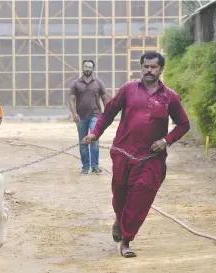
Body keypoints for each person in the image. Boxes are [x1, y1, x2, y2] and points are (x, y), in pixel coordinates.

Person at [83, 51, 190, 258]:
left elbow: (184, 124)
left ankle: (126, 240)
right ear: (141, 68)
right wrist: (95, 133)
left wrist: (166, 140)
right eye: (146, 67)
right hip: (123, 152)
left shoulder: (170, 97)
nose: (149, 70)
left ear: (161, 70)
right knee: (120, 196)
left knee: (141, 196)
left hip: (151, 158)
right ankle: (118, 217)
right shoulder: (128, 89)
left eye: (154, 67)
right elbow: (108, 113)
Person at [69, 60, 112, 175]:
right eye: (86, 66)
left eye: (90, 67)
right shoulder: (76, 83)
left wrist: (107, 114)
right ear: (82, 68)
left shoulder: (98, 83)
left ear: (93, 69)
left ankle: (95, 166)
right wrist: (74, 113)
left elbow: (105, 98)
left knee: (94, 139)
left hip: (95, 115)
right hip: (81, 117)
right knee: (83, 142)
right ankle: (85, 167)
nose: (88, 68)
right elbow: (72, 100)